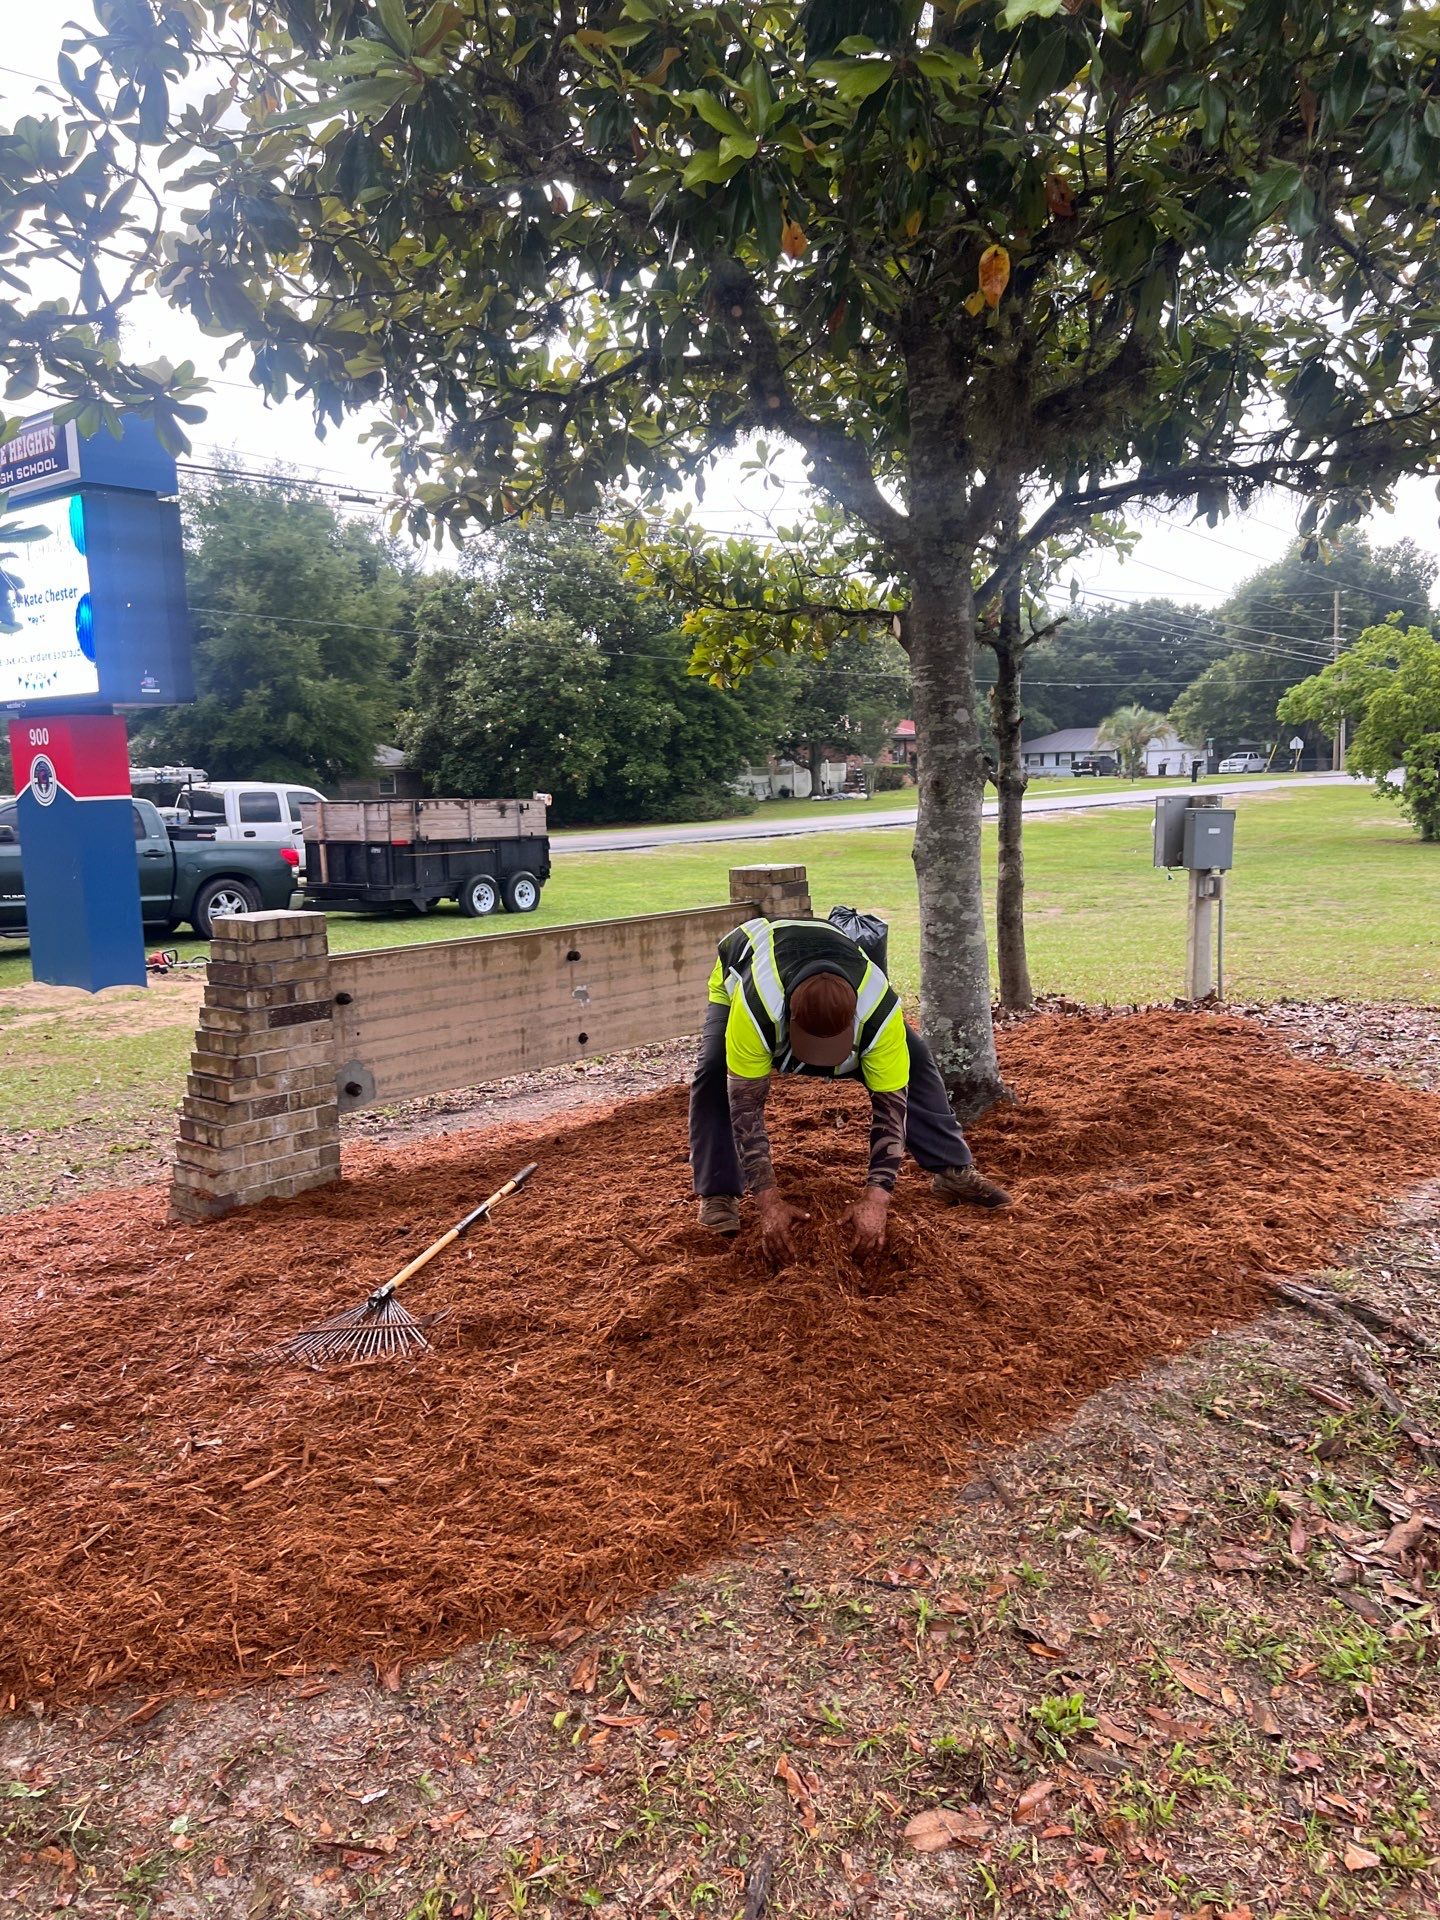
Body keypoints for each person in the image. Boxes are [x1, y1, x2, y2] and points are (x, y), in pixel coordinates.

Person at [690, 915, 1010, 1257]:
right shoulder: (757, 1008)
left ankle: (951, 1171)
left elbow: (891, 1108)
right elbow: (746, 1108)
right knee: (714, 1071)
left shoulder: (878, 1008)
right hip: (744, 959)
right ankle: (718, 1191)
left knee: (915, 1061)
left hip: (829, 958)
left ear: (853, 1018)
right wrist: (768, 1201)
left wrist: (877, 1198)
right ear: (789, 1019)